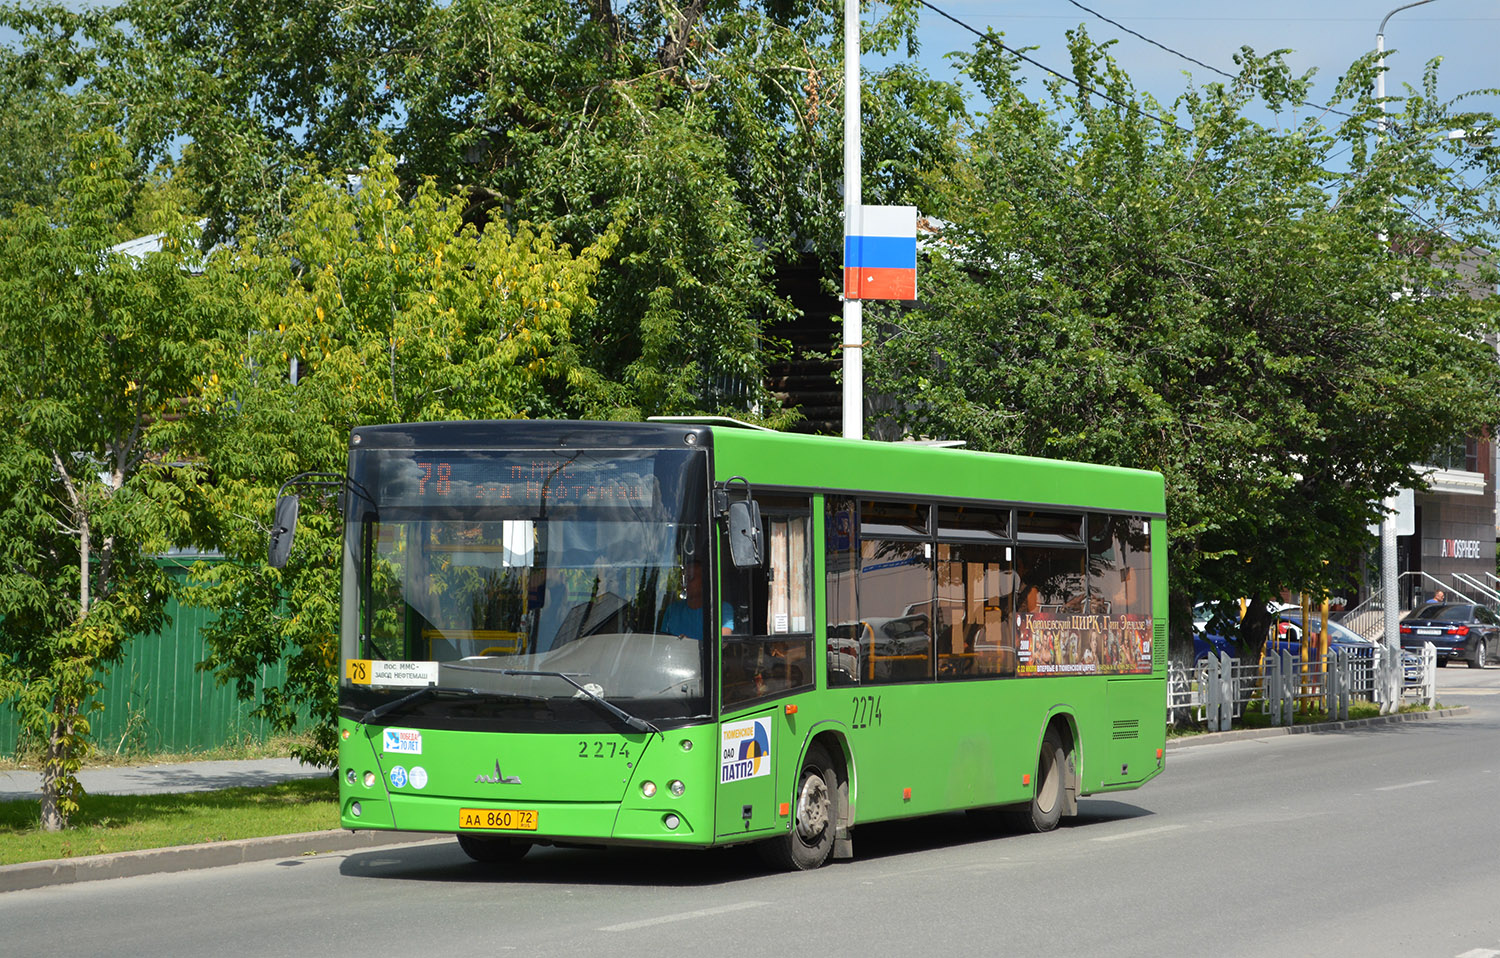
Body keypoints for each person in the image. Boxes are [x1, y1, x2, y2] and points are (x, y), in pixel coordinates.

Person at [659, 559, 733, 640]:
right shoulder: (672, 610)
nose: (686, 582)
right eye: (684, 579)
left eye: (690, 577)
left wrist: (690, 644)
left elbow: (723, 641)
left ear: (705, 581)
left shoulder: (721, 608)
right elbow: (662, 641)